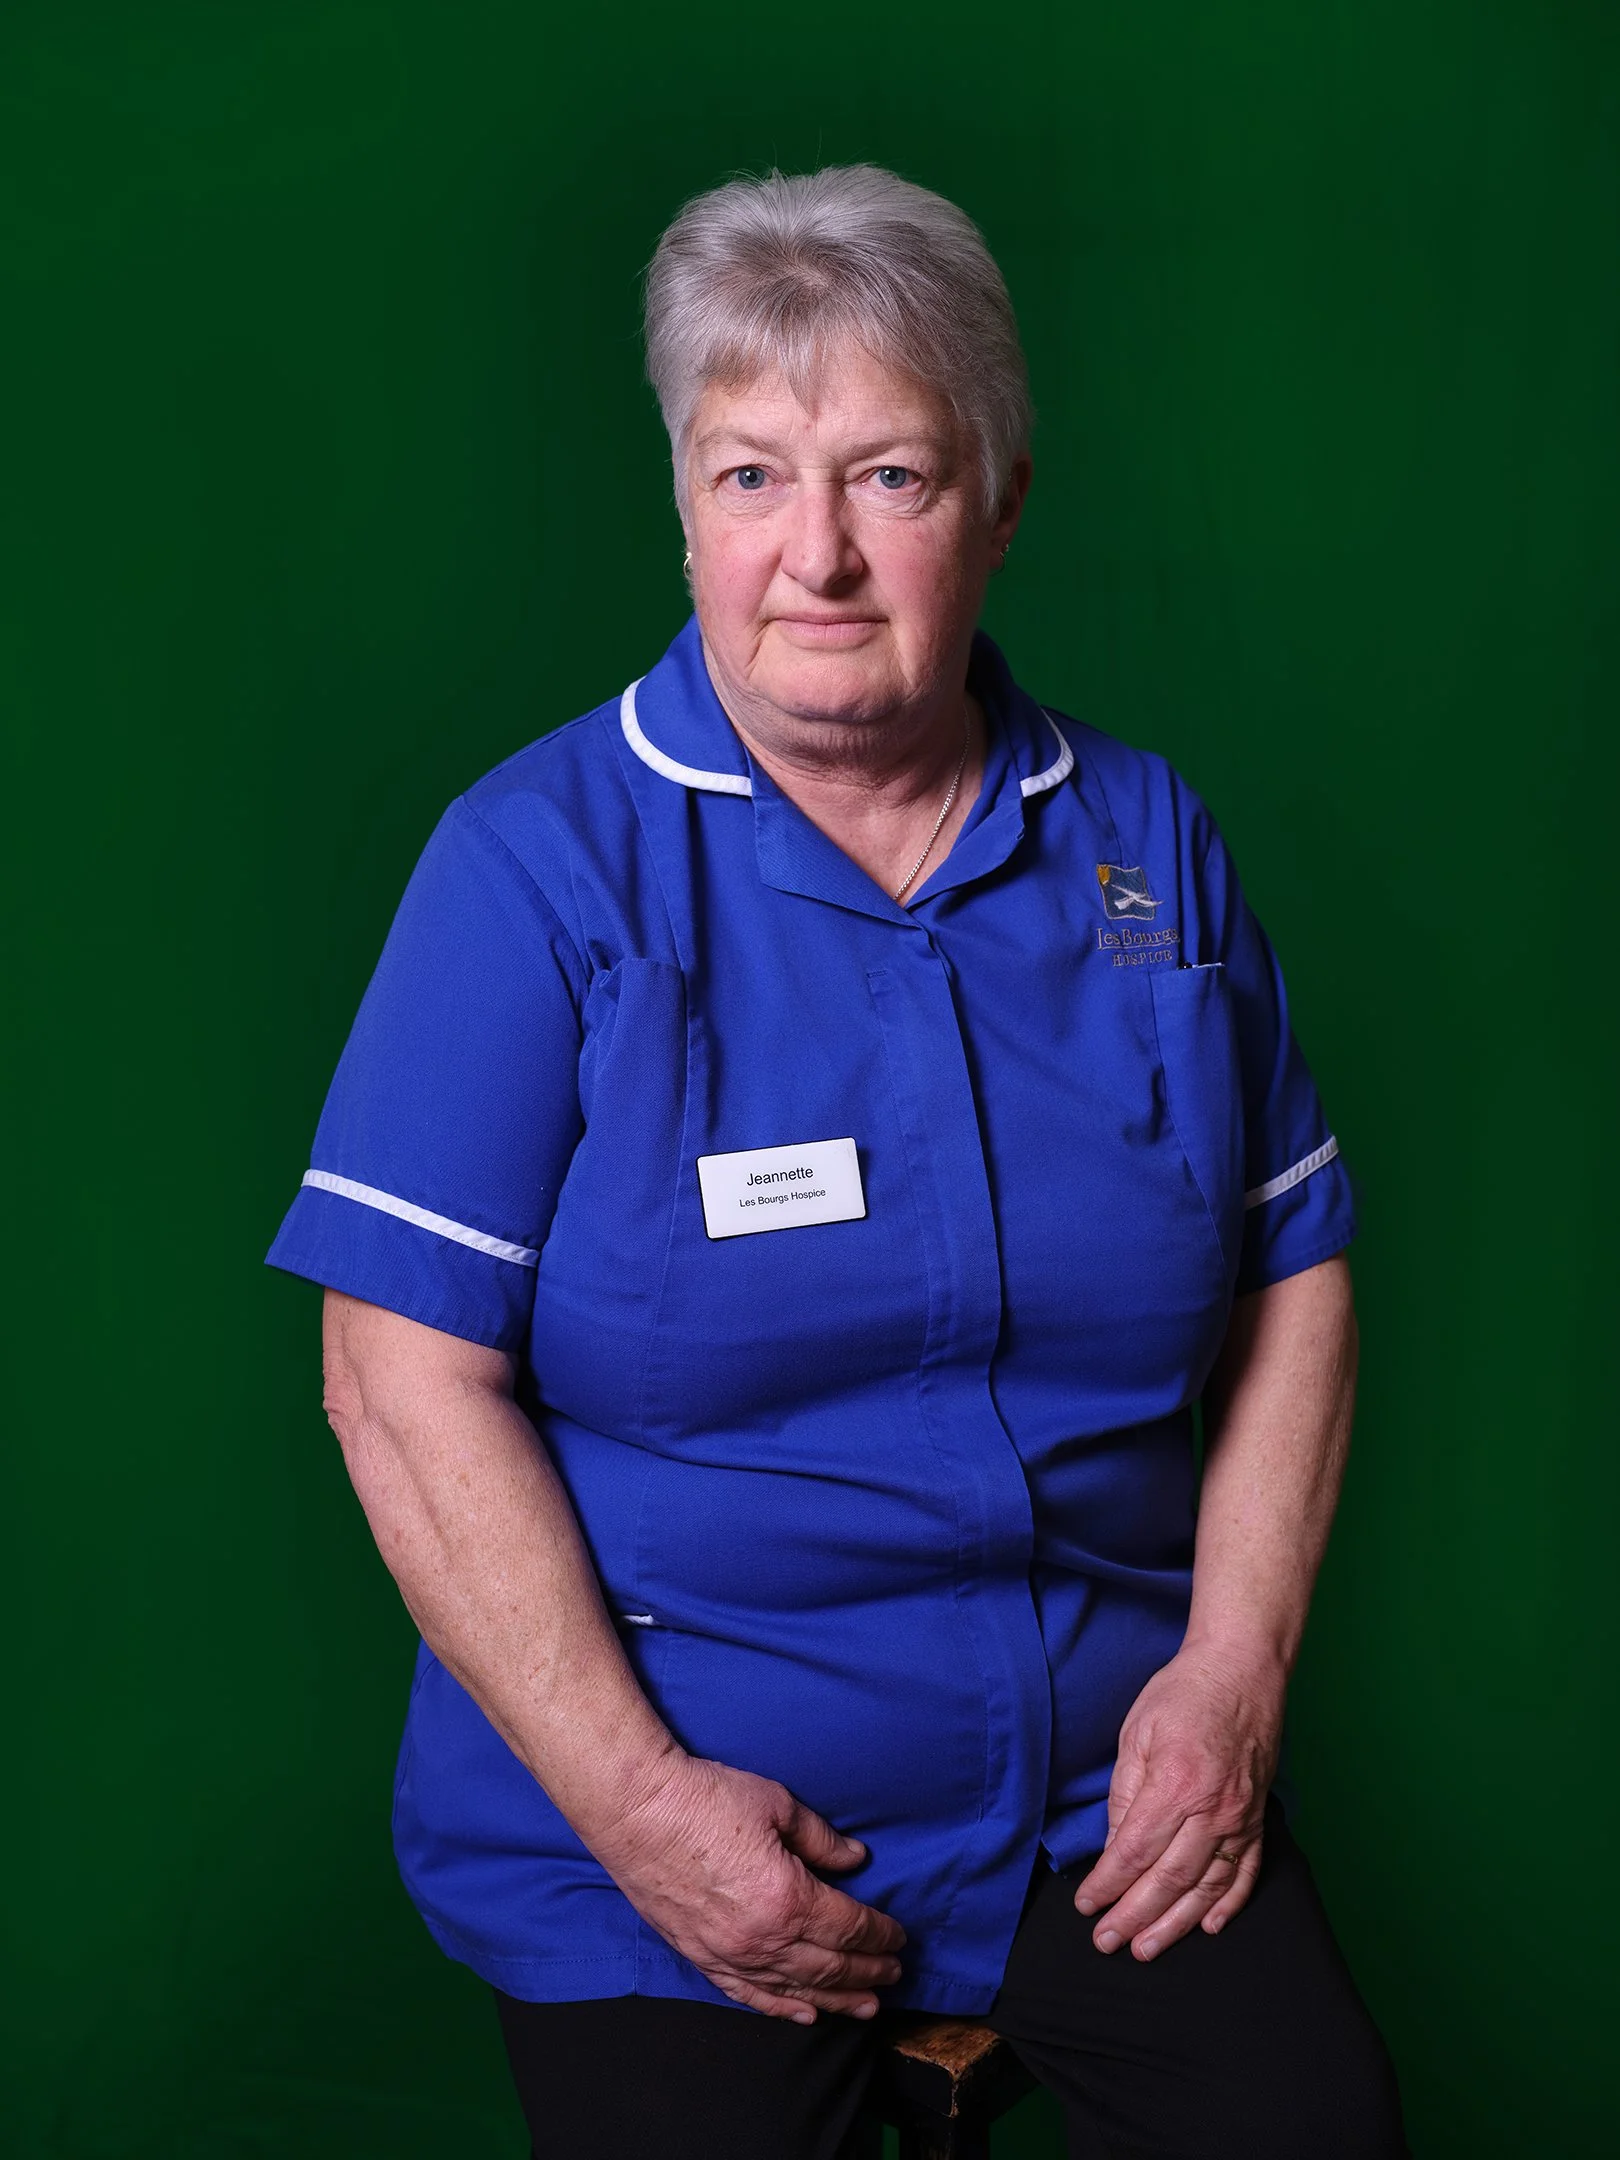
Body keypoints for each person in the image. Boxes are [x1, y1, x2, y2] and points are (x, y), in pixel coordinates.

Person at [267, 165, 1408, 2158]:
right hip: (681, 1830)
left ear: (1002, 501)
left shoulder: (1150, 847)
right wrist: (645, 1813)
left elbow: (1290, 1267)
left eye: (890, 476)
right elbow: (396, 1381)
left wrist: (1235, 1674)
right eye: (749, 477)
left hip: (1108, 1805)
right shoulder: (533, 871)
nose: (817, 556)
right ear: (682, 505)